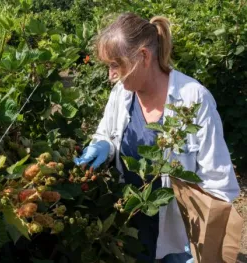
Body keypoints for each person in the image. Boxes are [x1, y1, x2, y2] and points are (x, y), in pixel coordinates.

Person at [73, 13, 240, 262]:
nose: (111, 75)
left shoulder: (193, 99)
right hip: (130, 230)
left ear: (143, 56)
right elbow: (107, 132)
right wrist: (102, 146)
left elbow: (219, 182)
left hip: (179, 238)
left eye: (116, 64)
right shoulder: (121, 95)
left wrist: (204, 243)